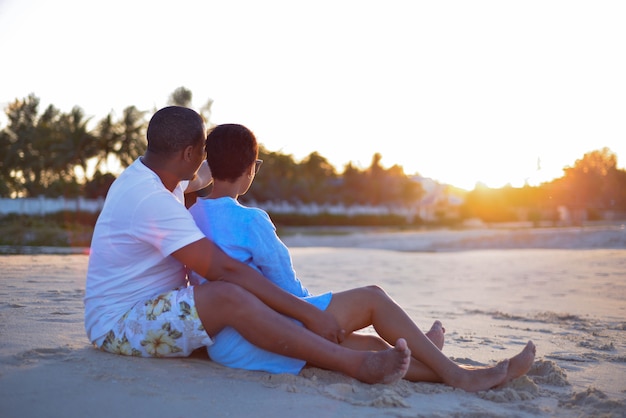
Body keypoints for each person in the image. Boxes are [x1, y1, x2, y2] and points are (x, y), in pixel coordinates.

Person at [188, 123, 536, 390]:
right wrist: (322, 319)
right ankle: (456, 373)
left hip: (225, 345)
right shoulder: (250, 220)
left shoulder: (190, 214)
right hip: (265, 336)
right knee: (373, 297)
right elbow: (288, 289)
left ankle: (428, 356)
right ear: (251, 169)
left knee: (371, 346)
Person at [84, 106, 411, 386]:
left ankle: (417, 360)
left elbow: (208, 175)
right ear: (187, 155)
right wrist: (309, 313)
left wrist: (236, 156)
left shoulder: (161, 175)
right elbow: (224, 268)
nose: (205, 160)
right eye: (202, 152)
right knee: (228, 293)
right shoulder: (150, 197)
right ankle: (353, 364)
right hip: (120, 325)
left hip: (155, 308)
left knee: (250, 309)